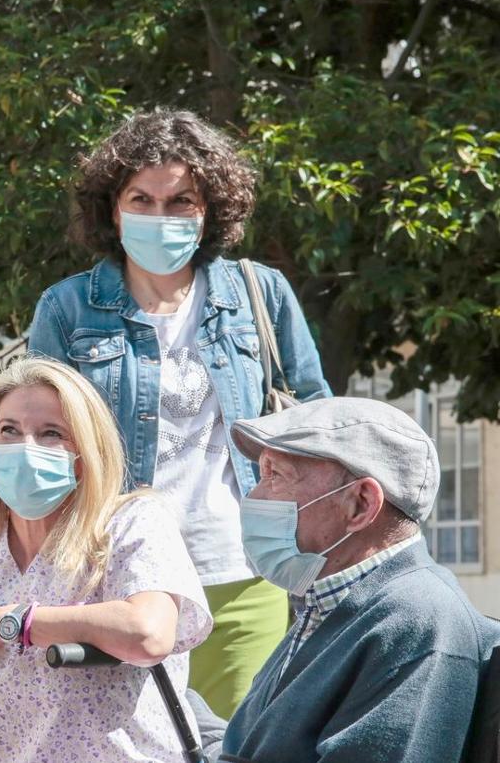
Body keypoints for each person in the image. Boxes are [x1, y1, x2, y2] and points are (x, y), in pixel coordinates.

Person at [27, 108, 331, 717]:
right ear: (113, 209)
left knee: (247, 746)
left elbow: (317, 422)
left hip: (244, 572)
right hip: (116, 580)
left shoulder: (259, 294)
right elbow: (38, 443)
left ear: (208, 210)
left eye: (180, 200)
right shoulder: (66, 310)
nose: (159, 216)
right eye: (141, 198)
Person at [0, 356, 212, 763]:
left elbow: (148, 633)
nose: (25, 448)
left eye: (51, 433)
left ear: (86, 451)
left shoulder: (131, 522)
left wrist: (15, 623)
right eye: (9, 430)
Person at [204, 397, 500, 762]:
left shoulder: (415, 623)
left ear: (360, 504)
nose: (254, 495)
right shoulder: (328, 604)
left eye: (275, 476)